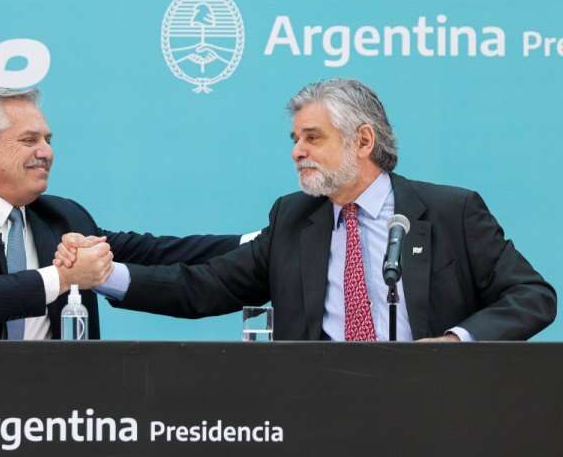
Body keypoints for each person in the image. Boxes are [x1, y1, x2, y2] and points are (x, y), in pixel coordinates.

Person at [58, 78, 556, 341]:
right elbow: (204, 287)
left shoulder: (450, 211)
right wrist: (104, 275)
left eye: (313, 137)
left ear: (363, 141)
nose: (298, 151)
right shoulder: (293, 219)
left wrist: (456, 342)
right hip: (319, 405)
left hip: (433, 407)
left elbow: (532, 296)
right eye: (295, 139)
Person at [0, 87, 241, 339]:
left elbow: (154, 252)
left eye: (48, 140)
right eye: (29, 140)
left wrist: (257, 243)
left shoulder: (62, 217)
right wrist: (62, 278)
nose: (46, 152)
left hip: (52, 409)